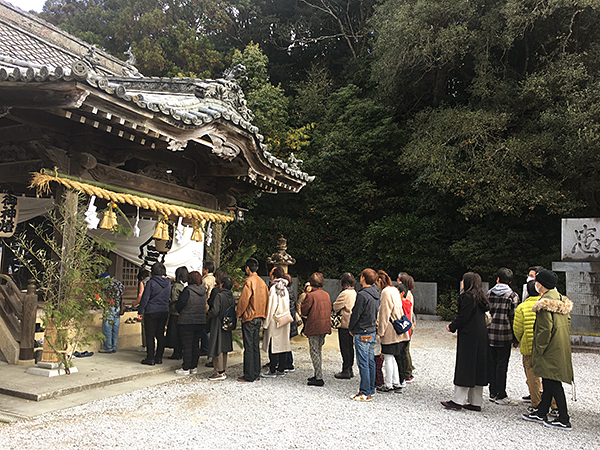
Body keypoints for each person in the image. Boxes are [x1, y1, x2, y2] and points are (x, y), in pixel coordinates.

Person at [522, 270, 574, 430]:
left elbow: (544, 330)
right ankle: (541, 411)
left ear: (541, 284)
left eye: (537, 281)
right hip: (560, 344)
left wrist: (539, 349)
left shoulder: (545, 304)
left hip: (549, 348)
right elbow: (568, 321)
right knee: (548, 379)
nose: (535, 283)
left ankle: (564, 418)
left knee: (553, 381)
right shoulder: (560, 300)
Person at [442, 272, 489, 411]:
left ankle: (458, 400)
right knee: (477, 367)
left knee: (465, 366)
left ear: (468, 283)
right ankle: (476, 402)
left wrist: (452, 326)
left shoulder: (467, 297)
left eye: (463, 280)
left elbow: (463, 316)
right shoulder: (482, 297)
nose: (461, 282)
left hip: (469, 336)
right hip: (481, 335)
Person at [514, 280, 558, 415]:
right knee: (550, 376)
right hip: (547, 346)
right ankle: (554, 405)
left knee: (532, 376)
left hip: (529, 346)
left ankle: (536, 404)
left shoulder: (522, 307)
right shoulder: (547, 304)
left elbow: (518, 329)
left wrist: (520, 339)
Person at [487, 267, 520, 405]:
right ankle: (501, 394)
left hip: (489, 334)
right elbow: (514, 319)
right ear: (510, 281)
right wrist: (516, 338)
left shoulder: (488, 293)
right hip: (504, 335)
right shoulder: (512, 296)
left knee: (491, 364)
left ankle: (492, 392)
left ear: (498, 279)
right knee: (502, 365)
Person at [348, 268, 380, 402]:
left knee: (363, 363)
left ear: (363, 278)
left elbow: (356, 313)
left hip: (362, 331)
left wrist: (351, 327)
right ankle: (370, 389)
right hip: (372, 330)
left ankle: (364, 391)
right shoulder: (376, 294)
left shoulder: (362, 295)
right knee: (370, 361)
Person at [236, 257, 269, 382]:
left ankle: (249, 375)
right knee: (255, 346)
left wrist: (238, 313)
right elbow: (267, 300)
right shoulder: (262, 282)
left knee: (248, 347)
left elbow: (244, 300)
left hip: (249, 317)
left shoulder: (249, 281)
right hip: (259, 316)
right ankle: (256, 373)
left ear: (247, 268)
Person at [376, 271, 408, 393]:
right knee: (394, 356)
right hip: (397, 326)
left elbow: (384, 312)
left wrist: (381, 331)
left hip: (389, 328)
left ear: (380, 281)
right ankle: (396, 382)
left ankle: (388, 384)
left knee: (388, 356)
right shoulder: (394, 289)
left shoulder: (385, 292)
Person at [301, 272, 331, 386]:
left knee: (314, 351)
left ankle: (319, 377)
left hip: (314, 326)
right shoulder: (326, 295)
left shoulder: (311, 296)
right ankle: (317, 373)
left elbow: (304, 311)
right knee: (318, 350)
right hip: (324, 326)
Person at [137, 262, 171, 365]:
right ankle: (159, 357)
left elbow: (145, 298)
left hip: (152, 311)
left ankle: (150, 358)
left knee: (150, 335)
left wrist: (140, 311)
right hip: (164, 310)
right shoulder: (168, 283)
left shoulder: (151, 282)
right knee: (160, 335)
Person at [175, 271, 207, 376]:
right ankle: (194, 366)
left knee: (187, 345)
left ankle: (186, 367)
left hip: (187, 321)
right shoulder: (203, 291)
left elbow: (180, 304)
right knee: (195, 345)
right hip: (200, 321)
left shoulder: (187, 291)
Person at [262, 266, 292, 377]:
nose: (269, 274)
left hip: (275, 320)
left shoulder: (274, 288)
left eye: (271, 273)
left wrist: (266, 322)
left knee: (273, 344)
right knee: (283, 344)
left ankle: (272, 369)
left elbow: (271, 306)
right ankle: (281, 369)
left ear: (274, 276)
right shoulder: (284, 287)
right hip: (284, 318)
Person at [207, 275, 235, 381]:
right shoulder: (231, 296)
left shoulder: (219, 296)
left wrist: (208, 315)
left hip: (218, 322)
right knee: (224, 347)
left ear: (221, 285)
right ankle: (223, 369)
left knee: (217, 346)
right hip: (228, 322)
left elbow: (215, 311)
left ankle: (218, 371)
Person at [332, 272, 357, 379]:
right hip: (352, 324)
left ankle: (346, 369)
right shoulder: (355, 292)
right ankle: (350, 368)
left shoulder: (345, 293)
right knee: (350, 347)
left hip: (344, 323)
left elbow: (336, 306)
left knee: (345, 347)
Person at [99, 273, 124, 353]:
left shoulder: (107, 284)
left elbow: (102, 294)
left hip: (110, 306)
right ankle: (114, 346)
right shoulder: (119, 283)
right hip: (118, 307)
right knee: (115, 327)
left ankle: (108, 347)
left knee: (107, 327)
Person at [166, 266, 188, 360]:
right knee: (179, 334)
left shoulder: (175, 286)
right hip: (182, 312)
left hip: (174, 311)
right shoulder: (183, 287)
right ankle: (179, 351)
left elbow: (174, 299)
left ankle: (176, 352)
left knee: (174, 333)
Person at [398, 273, 416, 382]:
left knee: (405, 349)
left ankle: (408, 372)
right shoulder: (409, 293)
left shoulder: (407, 295)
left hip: (406, 323)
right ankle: (407, 370)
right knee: (405, 349)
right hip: (409, 322)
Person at [283, 272, 298, 372]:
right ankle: (288, 363)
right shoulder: (291, 291)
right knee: (286, 342)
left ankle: (287, 363)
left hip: (286, 320)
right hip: (291, 319)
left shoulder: (286, 291)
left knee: (284, 343)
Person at [200, 261, 216, 355]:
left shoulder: (205, 280)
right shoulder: (214, 278)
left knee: (205, 329)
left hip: (206, 305)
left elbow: (203, 293)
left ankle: (205, 347)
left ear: (206, 270)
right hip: (212, 305)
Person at [133, 268, 150, 350]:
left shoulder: (143, 282)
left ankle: (145, 345)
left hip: (145, 307)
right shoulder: (153, 281)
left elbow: (140, 295)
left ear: (141, 277)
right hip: (154, 307)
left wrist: (134, 304)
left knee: (144, 326)